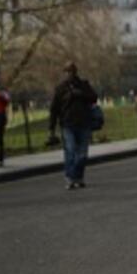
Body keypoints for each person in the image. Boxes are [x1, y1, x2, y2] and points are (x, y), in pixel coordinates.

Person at [48, 61, 98, 190]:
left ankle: (78, 176)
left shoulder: (83, 85)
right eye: (67, 71)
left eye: (72, 71)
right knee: (70, 151)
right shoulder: (61, 89)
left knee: (82, 154)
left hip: (83, 123)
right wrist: (51, 129)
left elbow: (94, 97)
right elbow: (54, 109)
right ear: (64, 73)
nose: (70, 74)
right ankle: (71, 178)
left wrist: (80, 94)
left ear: (76, 72)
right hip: (67, 123)